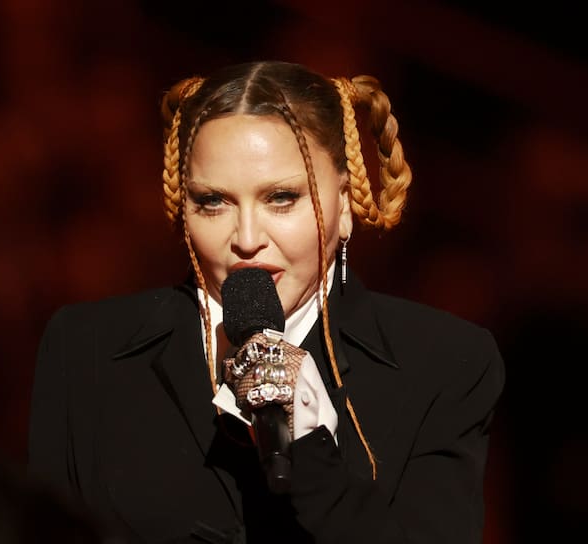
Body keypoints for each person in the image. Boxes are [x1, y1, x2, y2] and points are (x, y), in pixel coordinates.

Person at [28, 60, 504, 543]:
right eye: (213, 201)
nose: (247, 237)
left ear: (345, 203)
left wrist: (312, 450)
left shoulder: (445, 363)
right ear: (182, 207)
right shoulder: (85, 349)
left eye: (281, 197)